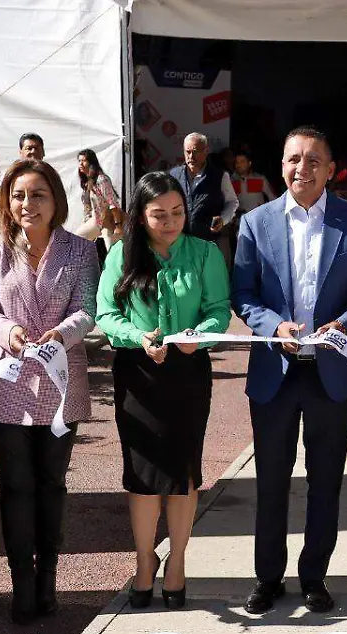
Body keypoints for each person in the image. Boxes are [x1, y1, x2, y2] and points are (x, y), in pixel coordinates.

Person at [232, 126, 347, 614]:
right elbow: (244, 295)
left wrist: (342, 324)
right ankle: (267, 578)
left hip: (331, 373)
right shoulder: (255, 222)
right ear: (281, 165)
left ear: (330, 168)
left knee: (326, 481)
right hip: (275, 373)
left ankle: (315, 576)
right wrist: (274, 326)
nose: (303, 168)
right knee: (272, 480)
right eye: (294, 159)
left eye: (314, 160)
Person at [0, 159, 100, 623]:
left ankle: (49, 579)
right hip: (6, 383)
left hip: (62, 384)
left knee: (52, 483)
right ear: (7, 200)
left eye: (38, 194)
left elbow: (88, 310)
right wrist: (9, 332)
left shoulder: (80, 250)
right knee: (15, 486)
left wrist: (61, 334)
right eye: (19, 195)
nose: (28, 204)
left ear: (56, 200)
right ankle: (22, 582)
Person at [96, 171, 230, 610]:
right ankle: (143, 562)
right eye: (159, 214)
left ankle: (177, 564)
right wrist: (138, 337)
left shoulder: (205, 252)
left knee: (183, 470)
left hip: (188, 372)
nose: (170, 221)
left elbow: (218, 309)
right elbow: (105, 313)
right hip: (139, 374)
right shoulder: (122, 254)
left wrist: (202, 335)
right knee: (142, 472)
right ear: (140, 216)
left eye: (177, 212)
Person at [167, 132, 238, 247]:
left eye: (195, 152)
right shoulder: (174, 175)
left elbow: (232, 202)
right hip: (179, 241)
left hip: (208, 241)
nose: (191, 157)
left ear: (206, 151)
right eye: (187, 152)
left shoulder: (219, 176)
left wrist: (223, 219)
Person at [77, 148, 126, 253]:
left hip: (107, 220)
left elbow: (112, 203)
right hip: (98, 221)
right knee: (78, 240)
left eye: (83, 161)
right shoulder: (87, 182)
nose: (80, 164)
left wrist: (118, 226)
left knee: (112, 250)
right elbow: (88, 208)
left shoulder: (101, 179)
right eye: (79, 161)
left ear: (91, 162)